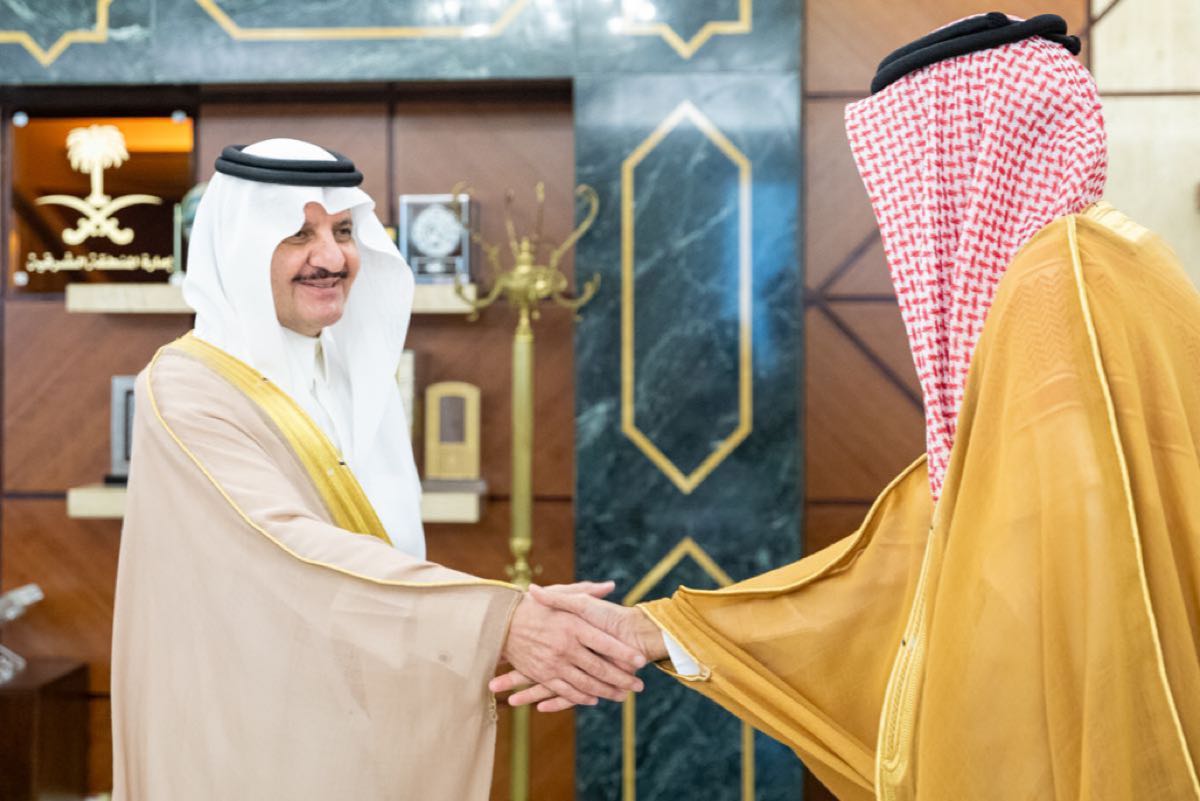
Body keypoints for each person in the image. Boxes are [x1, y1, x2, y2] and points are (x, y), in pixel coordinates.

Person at [493, 14, 1200, 801]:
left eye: (915, 167)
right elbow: (941, 539)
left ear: (964, 149)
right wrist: (665, 628)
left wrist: (663, 629)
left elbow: (1022, 574)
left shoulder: (1053, 291)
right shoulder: (1125, 263)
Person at [109, 138, 645, 801]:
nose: (332, 258)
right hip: (247, 727)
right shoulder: (188, 387)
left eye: (342, 231)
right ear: (239, 247)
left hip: (350, 708)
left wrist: (513, 621)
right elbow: (289, 547)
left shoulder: (343, 366)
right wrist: (498, 622)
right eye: (297, 235)